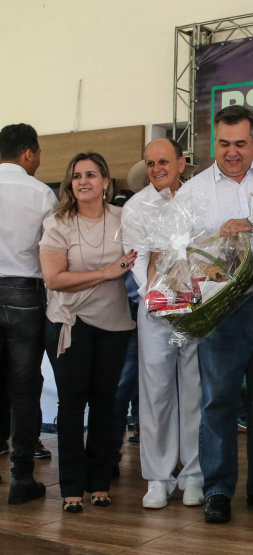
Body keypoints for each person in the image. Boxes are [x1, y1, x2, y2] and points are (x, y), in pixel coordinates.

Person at [175, 105, 253, 524]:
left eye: (240, 144)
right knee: (219, 400)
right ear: (214, 142)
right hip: (224, 309)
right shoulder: (192, 191)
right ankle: (218, 489)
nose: (232, 152)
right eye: (224, 144)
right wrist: (217, 238)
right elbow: (184, 252)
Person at [39, 152, 137, 513]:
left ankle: (99, 483)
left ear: (106, 182)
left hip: (114, 324)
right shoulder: (58, 222)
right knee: (71, 405)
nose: (83, 181)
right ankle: (71, 489)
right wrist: (107, 273)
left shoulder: (124, 219)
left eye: (91, 175)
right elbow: (54, 278)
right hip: (70, 324)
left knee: (105, 405)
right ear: (70, 183)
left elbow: (143, 259)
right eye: (77, 175)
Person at [120, 138, 204, 509]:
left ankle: (195, 474)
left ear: (181, 163)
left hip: (198, 307)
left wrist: (194, 297)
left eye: (164, 161)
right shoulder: (136, 207)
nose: (157, 169)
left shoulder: (198, 198)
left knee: (195, 389)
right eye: (151, 163)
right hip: (155, 309)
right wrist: (158, 297)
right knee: (155, 392)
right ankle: (158, 477)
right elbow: (136, 260)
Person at [0, 123, 55, 504]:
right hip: (24, 292)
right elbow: (51, 250)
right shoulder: (40, 193)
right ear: (29, 153)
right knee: (24, 388)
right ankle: (21, 478)